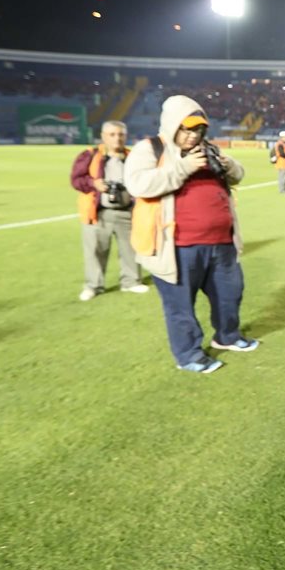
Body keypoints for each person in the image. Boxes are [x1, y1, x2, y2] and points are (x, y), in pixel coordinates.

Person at [124, 96, 258, 374]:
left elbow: (238, 174)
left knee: (230, 294)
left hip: (222, 243)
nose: (192, 135)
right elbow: (138, 184)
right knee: (181, 306)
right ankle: (188, 354)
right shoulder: (151, 149)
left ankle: (227, 336)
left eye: (197, 129)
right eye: (186, 129)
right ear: (172, 126)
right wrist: (183, 168)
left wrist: (228, 165)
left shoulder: (207, 149)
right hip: (176, 246)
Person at [69, 120, 148, 301]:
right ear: (103, 136)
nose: (117, 138)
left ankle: (131, 281)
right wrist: (93, 183)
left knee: (130, 249)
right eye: (112, 134)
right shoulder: (90, 155)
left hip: (127, 210)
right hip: (98, 212)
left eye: (120, 134)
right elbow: (76, 180)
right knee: (95, 250)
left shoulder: (132, 156)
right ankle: (93, 286)